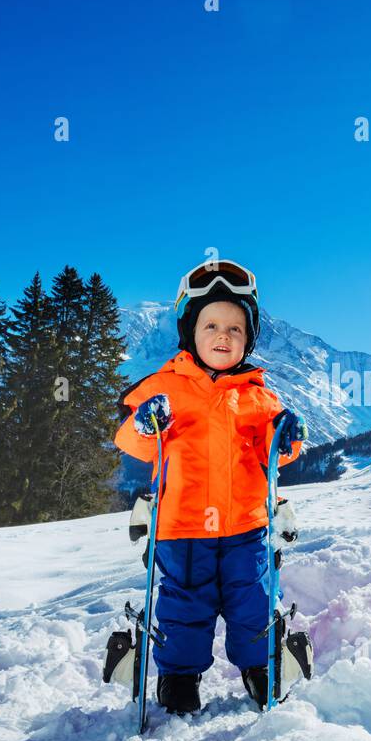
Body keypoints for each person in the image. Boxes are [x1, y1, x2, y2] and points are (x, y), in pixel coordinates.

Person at [113, 259, 306, 715]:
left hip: (247, 527)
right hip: (182, 529)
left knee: (254, 602)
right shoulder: (163, 388)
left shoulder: (259, 395)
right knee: (183, 609)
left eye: (236, 329)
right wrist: (145, 423)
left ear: (249, 338)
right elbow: (131, 440)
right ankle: (179, 677)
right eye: (213, 325)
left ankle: (261, 667)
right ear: (190, 332)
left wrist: (286, 435)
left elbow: (275, 455)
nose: (224, 336)